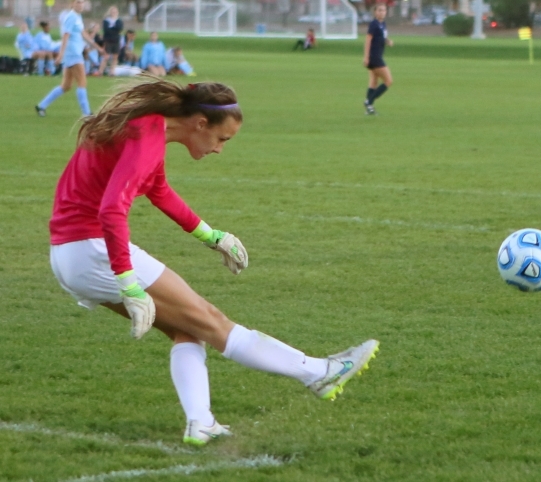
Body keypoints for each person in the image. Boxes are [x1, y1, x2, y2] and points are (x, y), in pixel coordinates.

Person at [48, 78, 379, 446]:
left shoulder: (149, 129)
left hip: (68, 255)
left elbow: (159, 191)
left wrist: (213, 237)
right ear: (200, 124)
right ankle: (320, 372)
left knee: (187, 330)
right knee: (212, 321)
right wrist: (128, 283)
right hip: (93, 250)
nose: (221, 149)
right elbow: (112, 209)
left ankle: (201, 422)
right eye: (223, 139)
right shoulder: (146, 137)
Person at [35, 0, 104, 118]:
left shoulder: (78, 16)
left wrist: (97, 47)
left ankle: (41, 106)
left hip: (73, 53)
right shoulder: (70, 17)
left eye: (82, 2)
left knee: (66, 86)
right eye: (78, 2)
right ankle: (87, 113)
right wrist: (61, 54)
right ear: (72, 4)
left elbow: (83, 34)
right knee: (82, 82)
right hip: (73, 54)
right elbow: (65, 35)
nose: (81, 4)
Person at [363, 3, 393, 115]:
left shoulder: (382, 24)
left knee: (373, 82)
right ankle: (368, 101)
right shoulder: (374, 24)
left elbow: (381, 37)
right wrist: (366, 57)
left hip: (377, 55)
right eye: (379, 10)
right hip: (374, 57)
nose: (382, 12)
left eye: (384, 10)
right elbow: (368, 40)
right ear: (375, 12)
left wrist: (387, 41)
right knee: (388, 80)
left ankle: (369, 109)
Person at [96, 6, 123, 76]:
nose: (113, 13)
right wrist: (114, 30)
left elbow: (119, 28)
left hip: (116, 40)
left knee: (115, 57)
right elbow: (106, 30)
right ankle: (100, 71)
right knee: (106, 56)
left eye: (115, 12)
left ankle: (112, 72)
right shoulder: (106, 21)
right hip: (108, 40)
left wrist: (113, 29)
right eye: (112, 11)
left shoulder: (119, 21)